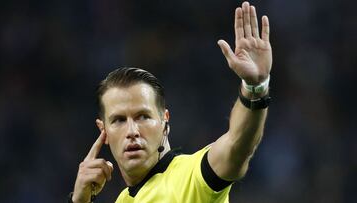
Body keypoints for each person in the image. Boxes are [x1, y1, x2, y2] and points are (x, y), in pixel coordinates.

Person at [69, 1, 272, 202]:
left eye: (143, 116)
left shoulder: (191, 177)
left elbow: (238, 145)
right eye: (119, 120)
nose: (132, 131)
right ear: (103, 131)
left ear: (165, 120)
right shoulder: (123, 200)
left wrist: (255, 88)